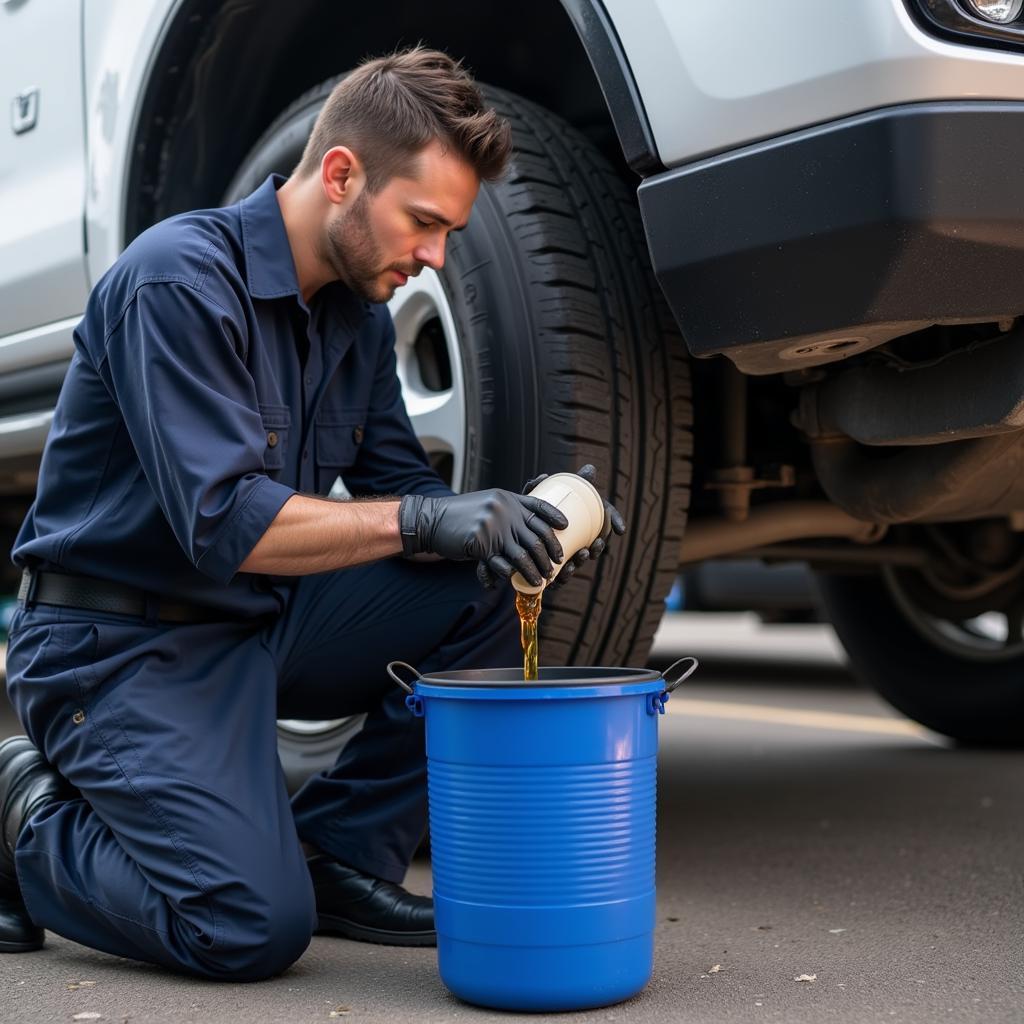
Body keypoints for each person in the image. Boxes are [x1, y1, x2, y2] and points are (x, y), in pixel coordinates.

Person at [0, 47, 624, 979]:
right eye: (423, 223)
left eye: (450, 232)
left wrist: (521, 515)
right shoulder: (177, 281)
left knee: (473, 584)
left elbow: (407, 498)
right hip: (117, 648)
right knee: (244, 928)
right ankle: (24, 812)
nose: (434, 257)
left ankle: (338, 852)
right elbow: (227, 524)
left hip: (255, 622)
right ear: (341, 175)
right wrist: (424, 523)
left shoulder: (354, 318)